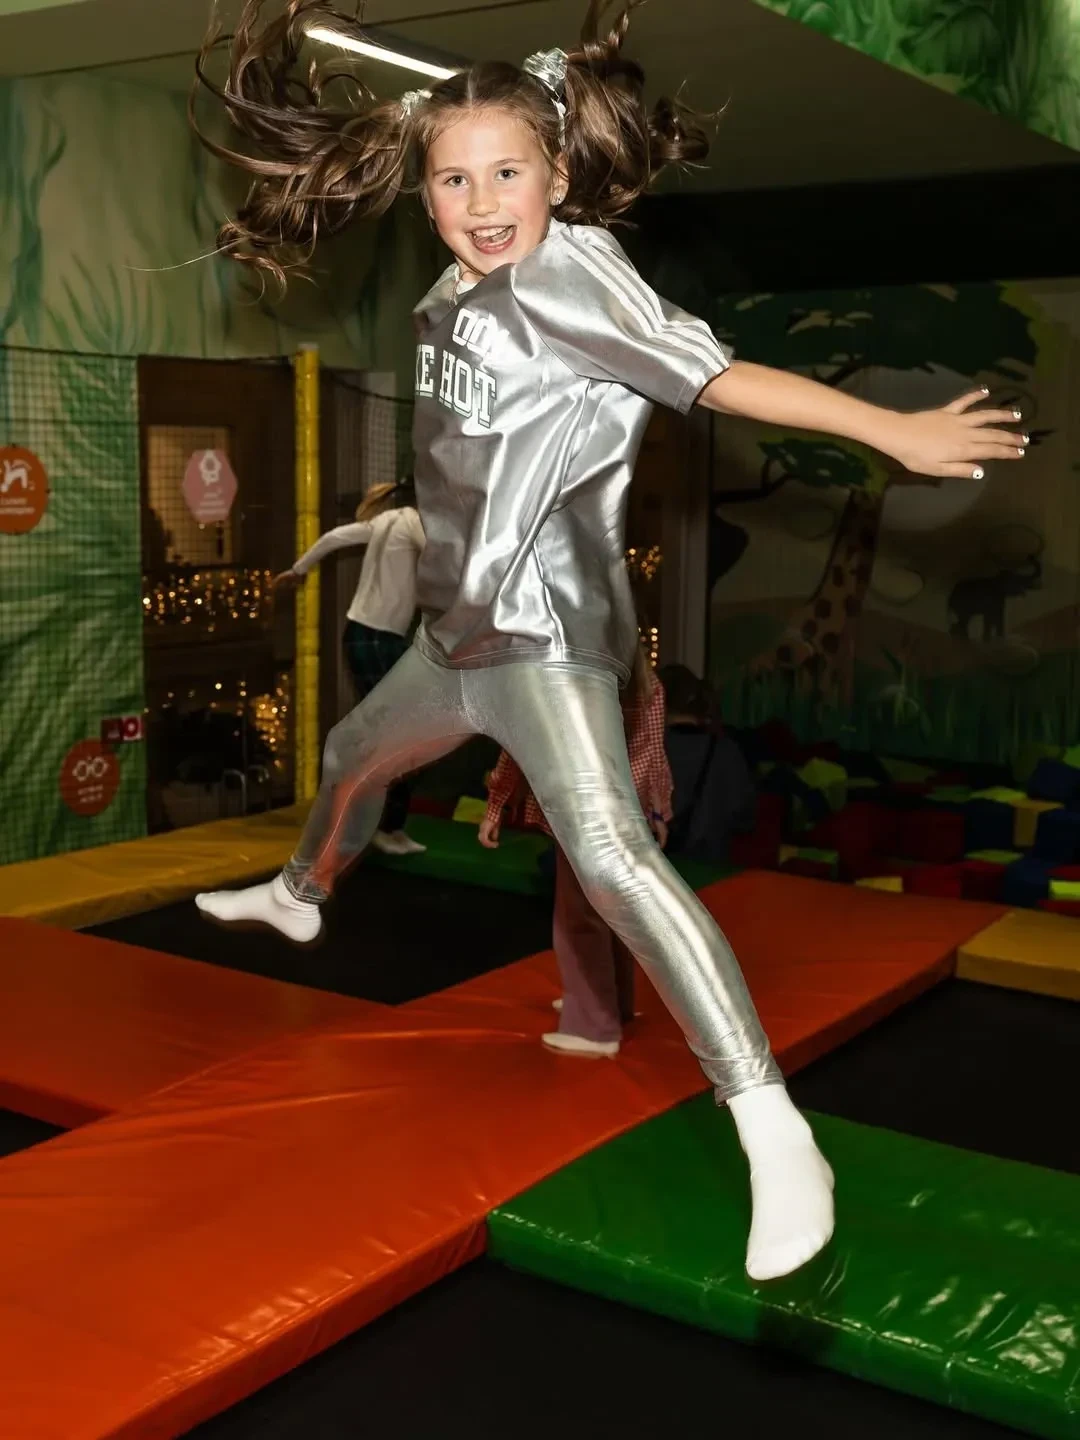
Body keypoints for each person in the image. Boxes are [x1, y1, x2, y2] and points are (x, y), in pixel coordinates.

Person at [191, 0, 1027, 1281]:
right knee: (354, 752)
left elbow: (719, 376)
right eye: (454, 179)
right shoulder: (448, 293)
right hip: (456, 639)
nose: (482, 203)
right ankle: (302, 897)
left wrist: (889, 431)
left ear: (558, 176)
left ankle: (771, 1125)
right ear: (424, 193)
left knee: (614, 857)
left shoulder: (571, 275)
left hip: (545, 641)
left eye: (508, 174)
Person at [480, 643, 670, 1057]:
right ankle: (613, 1002)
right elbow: (652, 753)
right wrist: (657, 809)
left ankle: (594, 1026)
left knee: (579, 918)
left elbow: (518, 743)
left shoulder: (560, 673)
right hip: (623, 812)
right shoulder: (642, 679)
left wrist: (497, 803)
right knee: (613, 913)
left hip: (578, 808)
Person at [274, 478, 426, 856]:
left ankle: (387, 824)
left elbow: (332, 538)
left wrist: (298, 570)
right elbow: (448, 561)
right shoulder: (412, 522)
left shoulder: (384, 522)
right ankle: (374, 822)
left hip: (366, 636)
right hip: (375, 639)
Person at [660, 663, 756, 863]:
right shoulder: (726, 751)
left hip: (655, 867)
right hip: (710, 867)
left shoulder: (646, 751)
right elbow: (744, 816)